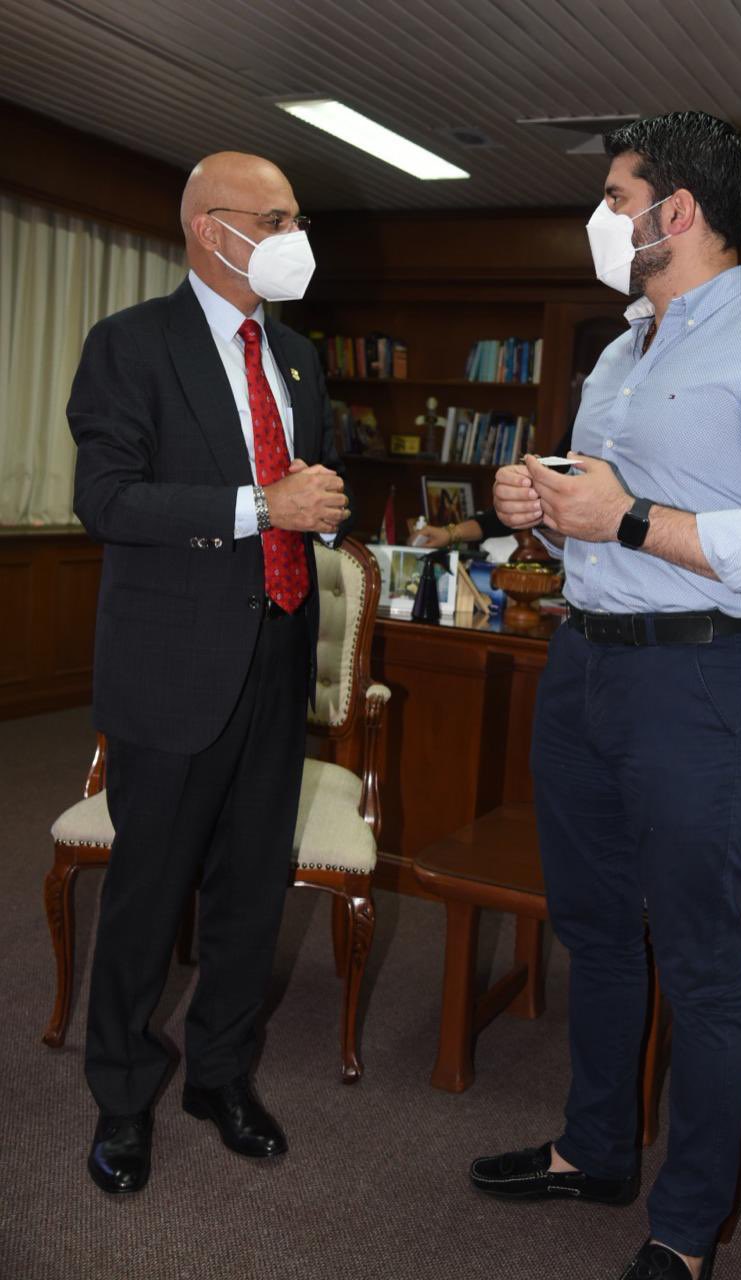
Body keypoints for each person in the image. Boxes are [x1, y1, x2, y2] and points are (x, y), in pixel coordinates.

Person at [472, 111, 741, 1280]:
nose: (600, 218)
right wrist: (541, 504)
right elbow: (599, 504)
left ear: (675, 211)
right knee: (593, 927)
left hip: (701, 678)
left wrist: (630, 517)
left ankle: (686, 1225)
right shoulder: (620, 349)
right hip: (585, 662)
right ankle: (594, 1147)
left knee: (697, 956)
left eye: (614, 198)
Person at [68, 151, 350, 1195]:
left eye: (296, 218)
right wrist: (260, 506)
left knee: (250, 889)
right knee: (148, 893)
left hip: (277, 654)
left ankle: (220, 1075)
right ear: (208, 227)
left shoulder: (299, 357)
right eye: (274, 219)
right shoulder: (129, 343)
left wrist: (319, 506)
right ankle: (122, 1093)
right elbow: (107, 500)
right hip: (171, 666)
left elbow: (309, 489)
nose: (292, 237)